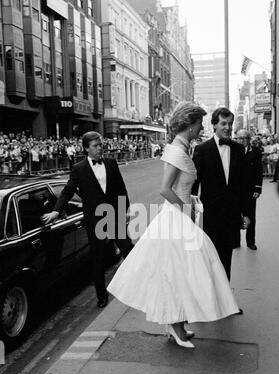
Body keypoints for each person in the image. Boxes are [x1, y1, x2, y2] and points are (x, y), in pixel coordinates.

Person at [107, 102, 241, 350]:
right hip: (176, 219)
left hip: (180, 215)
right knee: (179, 273)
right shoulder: (177, 151)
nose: (202, 127)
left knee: (181, 274)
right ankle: (175, 326)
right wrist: (185, 210)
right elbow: (165, 189)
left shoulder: (182, 148)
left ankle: (177, 325)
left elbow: (181, 186)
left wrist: (191, 199)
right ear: (190, 124)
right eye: (200, 123)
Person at [42, 131, 133, 308]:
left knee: (128, 250)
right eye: (95, 146)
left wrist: (125, 210)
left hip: (114, 214)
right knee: (97, 259)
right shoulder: (79, 168)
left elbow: (121, 188)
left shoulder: (111, 163)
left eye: (100, 145)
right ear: (86, 149)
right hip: (95, 219)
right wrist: (55, 211)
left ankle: (135, 288)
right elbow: (68, 191)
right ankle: (101, 296)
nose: (100, 148)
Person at [191, 107, 250, 281]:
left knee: (226, 260)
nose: (227, 128)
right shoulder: (202, 150)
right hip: (209, 216)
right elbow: (194, 185)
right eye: (223, 123)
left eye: (230, 124)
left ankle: (226, 304)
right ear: (214, 125)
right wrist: (193, 214)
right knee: (210, 260)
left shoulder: (239, 149)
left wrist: (246, 213)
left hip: (231, 215)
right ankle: (212, 303)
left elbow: (244, 185)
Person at [235, 129, 263, 250]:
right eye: (239, 138)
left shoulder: (255, 152)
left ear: (248, 139)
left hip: (250, 190)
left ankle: (250, 241)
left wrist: (258, 188)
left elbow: (259, 171)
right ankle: (235, 241)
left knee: (251, 215)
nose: (241, 140)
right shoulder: (232, 151)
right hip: (235, 190)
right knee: (235, 215)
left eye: (244, 138)